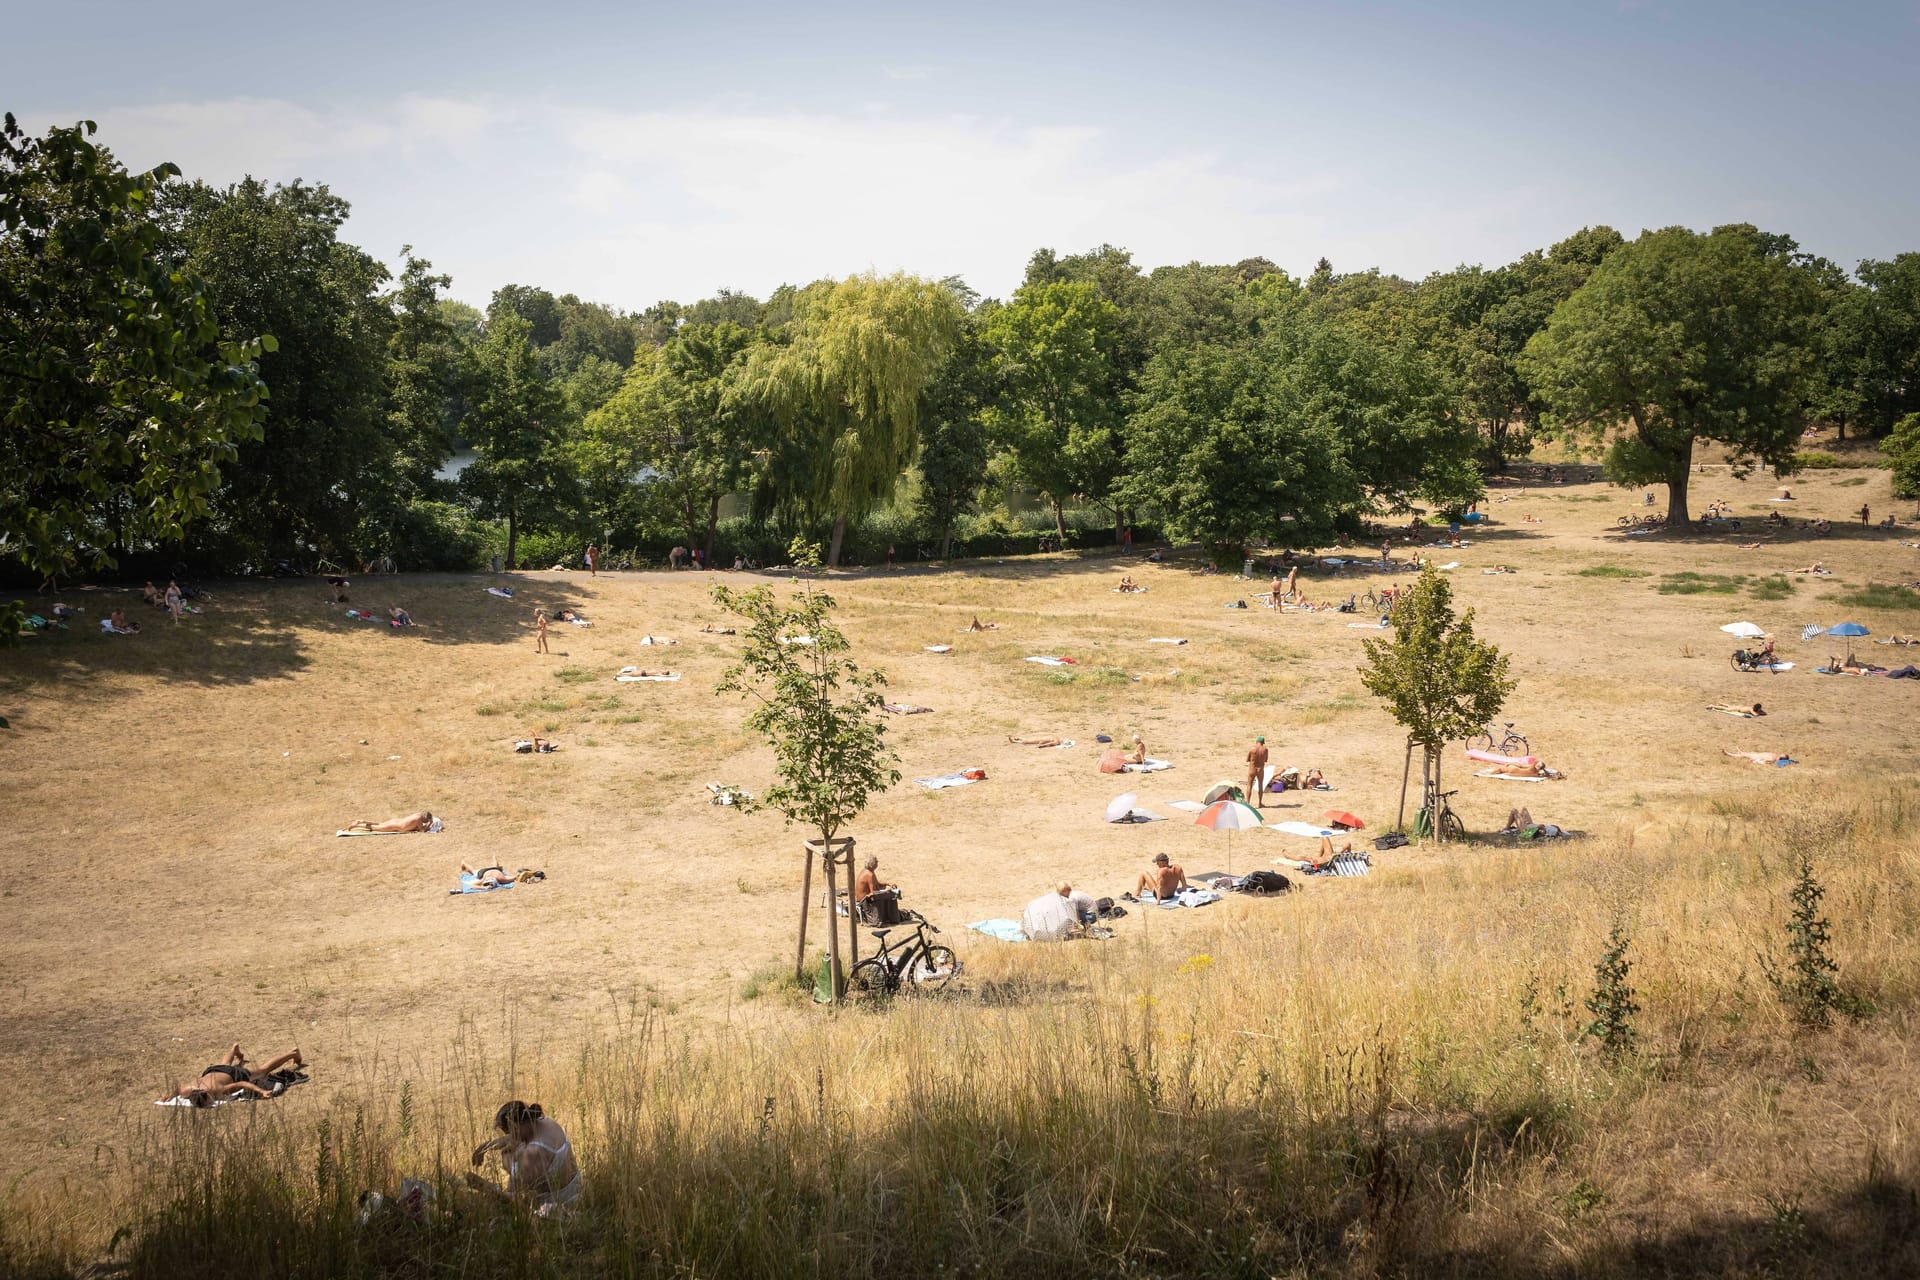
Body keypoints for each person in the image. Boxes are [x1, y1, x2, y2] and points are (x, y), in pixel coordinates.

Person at [467, 1100, 580, 1216]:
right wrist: (486, 1147)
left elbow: (518, 1199)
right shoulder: (544, 1123)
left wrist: (487, 1187)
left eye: (508, 1132)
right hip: (574, 1190)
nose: (509, 1136)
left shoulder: (535, 1153)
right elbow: (515, 1138)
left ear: (515, 1126)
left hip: (556, 1206)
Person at [158, 1043, 303, 1106]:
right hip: (213, 1070)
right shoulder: (188, 1089)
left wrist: (261, 1091)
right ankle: (234, 1049)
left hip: (233, 1074)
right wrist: (169, 1096)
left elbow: (241, 1083)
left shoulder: (217, 1091)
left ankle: (292, 1054)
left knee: (263, 1070)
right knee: (224, 1064)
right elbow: (177, 1089)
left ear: (208, 1097)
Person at [343, 811, 437, 832]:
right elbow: (422, 830)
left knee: (379, 824)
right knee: (375, 828)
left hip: (396, 821)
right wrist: (430, 823)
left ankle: (362, 821)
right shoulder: (418, 820)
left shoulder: (418, 814)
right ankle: (356, 826)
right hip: (396, 826)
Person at [1246, 736, 1270, 808]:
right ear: (1263, 743)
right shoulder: (1265, 750)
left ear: (1256, 741)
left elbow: (1247, 759)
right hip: (1260, 770)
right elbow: (1265, 760)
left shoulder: (1252, 749)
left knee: (1249, 785)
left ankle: (1248, 803)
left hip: (1252, 769)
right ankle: (1260, 803)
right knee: (1260, 785)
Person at [1723, 749, 1795, 765]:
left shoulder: (1773, 759)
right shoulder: (1775, 756)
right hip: (1757, 754)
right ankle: (1739, 751)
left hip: (1757, 756)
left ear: (1781, 757)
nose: (1781, 753)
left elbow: (1765, 762)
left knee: (1742, 755)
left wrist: (1755, 761)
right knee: (1744, 754)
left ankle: (1729, 754)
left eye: (1782, 754)